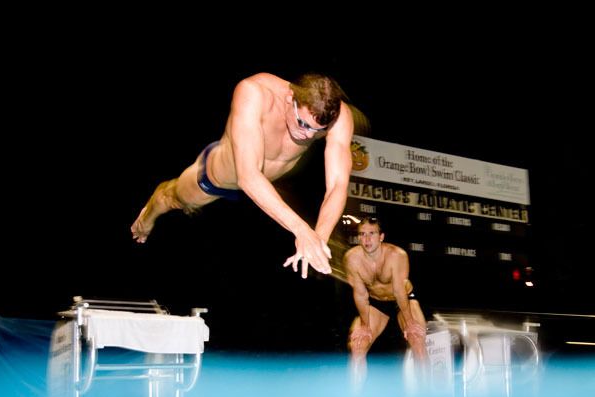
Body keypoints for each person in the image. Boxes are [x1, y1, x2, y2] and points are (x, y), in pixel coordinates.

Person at [130, 72, 354, 279]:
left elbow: (337, 185)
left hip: (267, 186)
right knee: (172, 199)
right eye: (303, 124)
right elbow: (248, 176)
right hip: (221, 177)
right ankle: (146, 217)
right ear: (290, 97)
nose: (308, 135)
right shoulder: (254, 93)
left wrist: (319, 239)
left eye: (318, 131)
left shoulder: (337, 116)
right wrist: (301, 229)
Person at [343, 217, 428, 377]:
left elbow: (399, 291)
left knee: (417, 340)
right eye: (362, 234)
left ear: (381, 237)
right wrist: (364, 325)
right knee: (357, 345)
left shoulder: (397, 255)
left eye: (371, 234)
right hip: (375, 303)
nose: (366, 239)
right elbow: (360, 294)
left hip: (403, 300)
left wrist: (409, 322)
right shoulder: (352, 258)